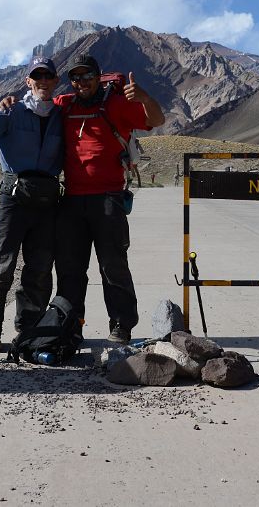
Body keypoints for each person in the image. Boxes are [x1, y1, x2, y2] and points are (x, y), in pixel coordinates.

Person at [53, 54, 165, 344]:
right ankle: (71, 324)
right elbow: (35, 106)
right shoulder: (64, 105)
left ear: (98, 77)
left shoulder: (117, 104)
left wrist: (144, 97)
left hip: (108, 199)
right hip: (72, 200)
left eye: (87, 76)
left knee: (113, 266)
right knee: (70, 268)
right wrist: (10, 103)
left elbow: (156, 119)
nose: (81, 82)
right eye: (75, 77)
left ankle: (121, 325)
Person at [0, 57, 64, 352]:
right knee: (2, 264)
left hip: (47, 198)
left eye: (48, 76)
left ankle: (28, 327)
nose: (43, 81)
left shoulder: (61, 116)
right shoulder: (11, 112)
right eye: (37, 76)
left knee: (40, 267)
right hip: (14, 196)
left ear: (55, 81)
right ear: (28, 81)